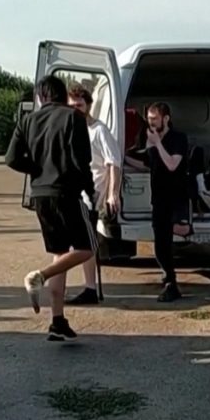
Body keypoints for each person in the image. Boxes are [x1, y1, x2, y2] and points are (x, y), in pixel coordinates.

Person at [5, 75, 95, 341]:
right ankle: (38, 276)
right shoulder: (73, 118)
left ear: (40, 96)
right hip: (66, 192)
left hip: (41, 195)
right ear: (61, 95)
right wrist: (90, 190)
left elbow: (11, 158)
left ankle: (57, 320)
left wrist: (37, 169)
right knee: (87, 249)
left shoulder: (28, 120)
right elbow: (81, 160)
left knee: (60, 254)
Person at [124, 102, 190, 303]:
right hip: (159, 197)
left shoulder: (178, 138)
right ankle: (170, 282)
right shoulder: (150, 138)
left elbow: (172, 164)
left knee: (176, 235)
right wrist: (123, 158)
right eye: (149, 119)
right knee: (161, 244)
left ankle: (171, 282)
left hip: (176, 195)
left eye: (154, 119)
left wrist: (157, 144)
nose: (150, 122)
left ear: (166, 118)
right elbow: (147, 163)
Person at [63, 83, 121, 305]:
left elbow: (113, 163)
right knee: (76, 243)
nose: (75, 109)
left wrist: (112, 194)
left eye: (79, 105)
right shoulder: (69, 129)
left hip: (92, 195)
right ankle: (85, 287)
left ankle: (90, 288)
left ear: (88, 105)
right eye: (72, 106)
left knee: (84, 243)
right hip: (73, 193)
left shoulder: (99, 130)